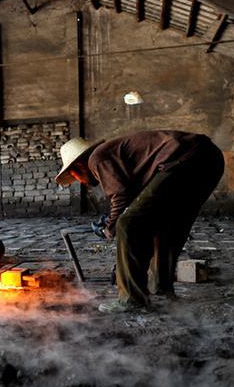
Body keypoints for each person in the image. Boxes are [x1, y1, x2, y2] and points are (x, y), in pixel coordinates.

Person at [55, 130, 224, 312]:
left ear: (76, 168)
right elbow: (136, 199)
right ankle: (161, 289)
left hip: (183, 160)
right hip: (210, 159)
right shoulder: (116, 153)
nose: (81, 182)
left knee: (127, 224)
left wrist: (110, 228)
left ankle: (131, 299)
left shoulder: (96, 158)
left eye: (76, 178)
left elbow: (121, 197)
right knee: (167, 226)